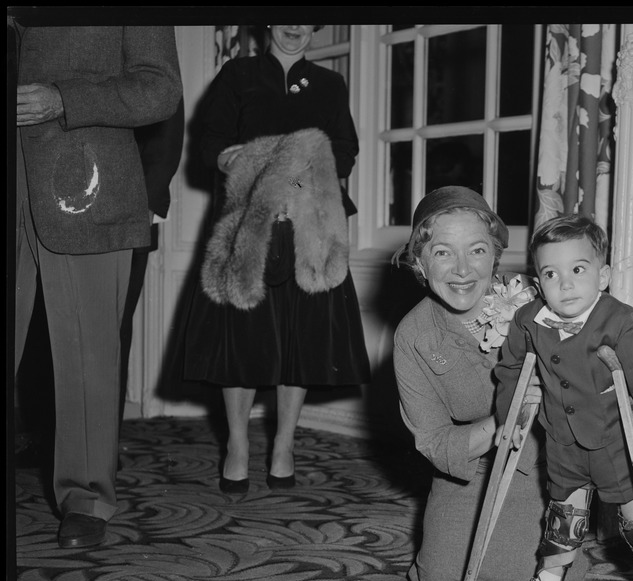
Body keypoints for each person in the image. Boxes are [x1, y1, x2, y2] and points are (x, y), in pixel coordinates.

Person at [13, 23, 183, 549]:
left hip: (83, 183)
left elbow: (159, 88)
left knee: (87, 355)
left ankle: (86, 497)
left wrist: (63, 99)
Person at [183, 24, 370, 493]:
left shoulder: (329, 84)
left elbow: (344, 150)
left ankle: (284, 444)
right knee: (242, 339)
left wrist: (300, 185)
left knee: (300, 340)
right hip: (249, 223)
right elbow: (211, 144)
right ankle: (238, 444)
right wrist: (245, 167)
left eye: (307, 18)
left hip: (312, 227)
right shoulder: (238, 74)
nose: (295, 26)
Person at [393, 186, 589, 581]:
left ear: (495, 256)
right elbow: (433, 441)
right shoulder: (413, 335)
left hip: (540, 466)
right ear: (420, 262)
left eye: (477, 250)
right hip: (471, 469)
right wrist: (506, 416)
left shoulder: (534, 304)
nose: (462, 270)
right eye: (443, 252)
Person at [493, 214, 633, 581]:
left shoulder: (623, 322)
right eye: (551, 274)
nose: (566, 284)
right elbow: (509, 371)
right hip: (562, 442)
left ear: (603, 275)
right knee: (563, 522)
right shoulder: (529, 320)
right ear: (538, 283)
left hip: (618, 445)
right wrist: (512, 417)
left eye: (578, 270)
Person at [120, 98, 186, 426]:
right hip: (60, 218)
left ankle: (101, 449)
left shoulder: (146, 50)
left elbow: (166, 138)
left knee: (113, 329)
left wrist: (140, 212)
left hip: (128, 219)